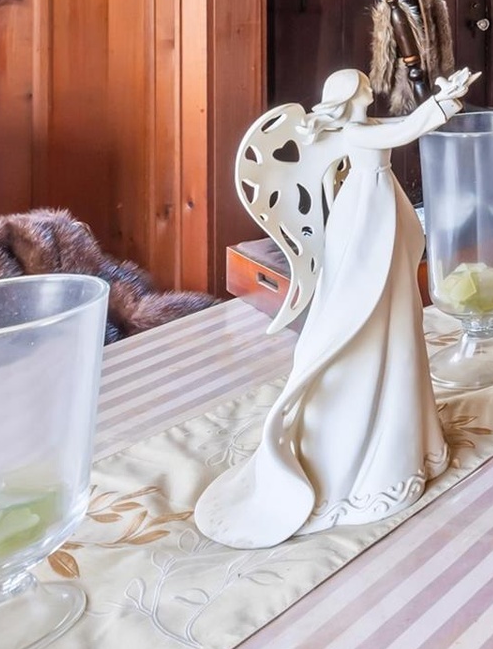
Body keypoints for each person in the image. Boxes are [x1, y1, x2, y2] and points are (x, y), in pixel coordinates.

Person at [197, 68, 474, 549]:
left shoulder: (363, 128)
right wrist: (442, 104)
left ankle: (404, 432)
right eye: (363, 85)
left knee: (393, 307)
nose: (370, 88)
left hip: (379, 209)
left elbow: (400, 126)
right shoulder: (356, 133)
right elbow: (407, 129)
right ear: (351, 95)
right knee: (364, 305)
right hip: (367, 219)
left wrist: (445, 100)